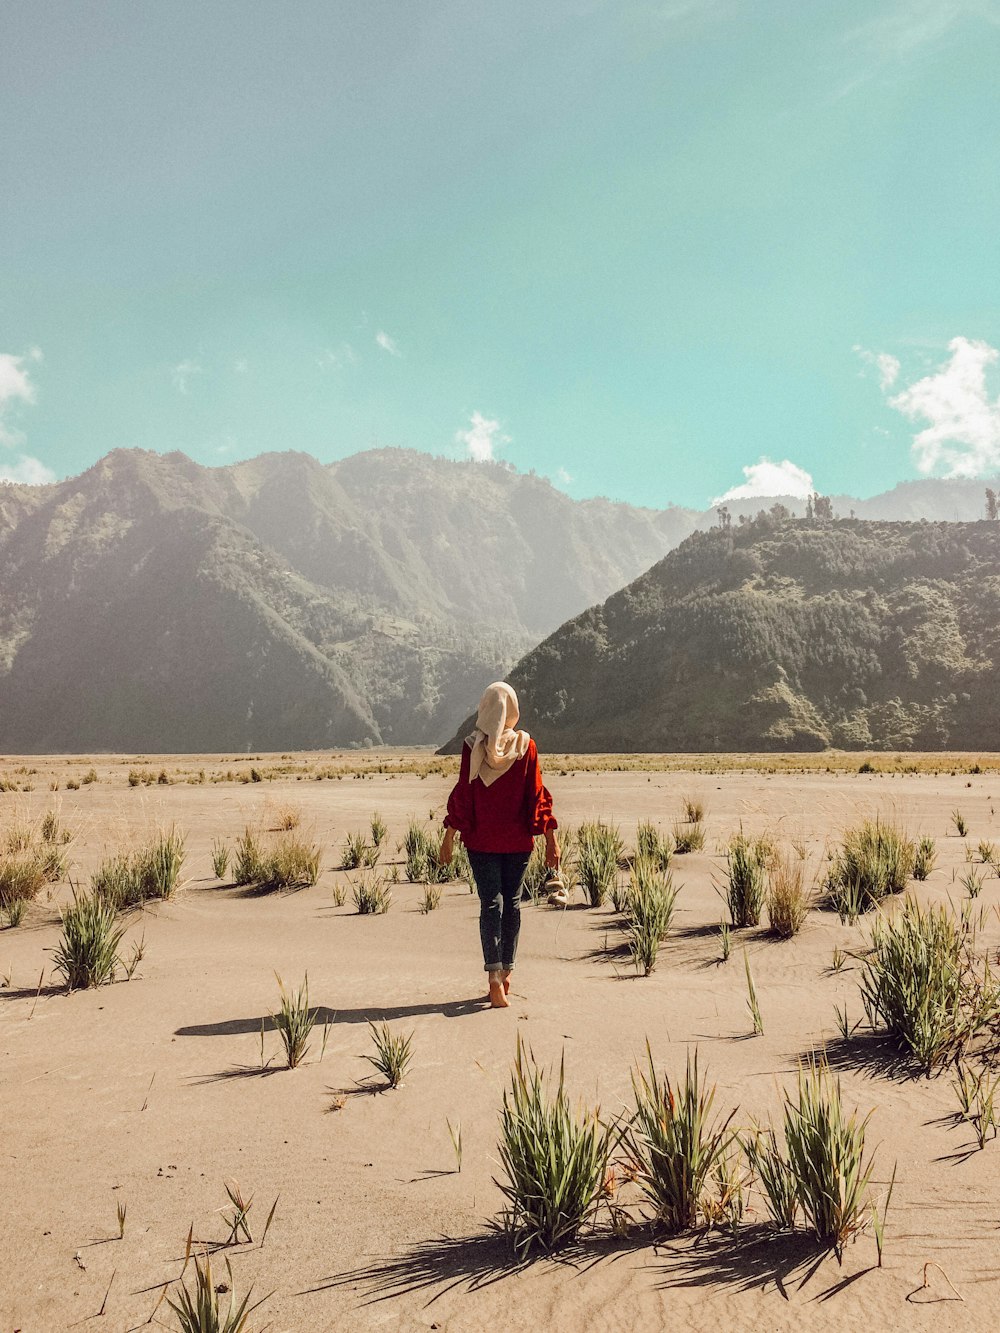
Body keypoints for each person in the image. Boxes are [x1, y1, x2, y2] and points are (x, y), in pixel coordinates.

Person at [438, 681, 559, 1008]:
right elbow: (537, 797)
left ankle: (493, 976)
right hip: (518, 842)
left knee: (491, 903)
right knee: (513, 905)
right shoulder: (526, 746)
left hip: (481, 842)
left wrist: (449, 835)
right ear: (512, 710)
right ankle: (506, 972)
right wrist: (551, 839)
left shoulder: (471, 746)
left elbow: (464, 795)